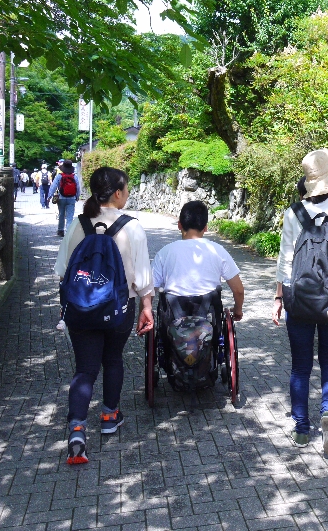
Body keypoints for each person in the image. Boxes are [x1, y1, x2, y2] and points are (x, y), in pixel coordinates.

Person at [54, 167, 154, 465]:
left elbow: (61, 272)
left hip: (81, 310)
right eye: (127, 188)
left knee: (85, 369)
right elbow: (143, 278)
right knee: (112, 360)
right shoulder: (132, 227)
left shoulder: (78, 224)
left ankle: (76, 430)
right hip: (119, 310)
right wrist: (147, 308)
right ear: (118, 193)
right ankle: (110, 415)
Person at [272, 148, 328, 457]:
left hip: (298, 300)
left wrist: (277, 298)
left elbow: (285, 262)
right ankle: (327, 412)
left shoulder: (293, 213)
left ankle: (300, 428)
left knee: (300, 367)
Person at [147, 200, 244, 336]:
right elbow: (238, 290)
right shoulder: (218, 250)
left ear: (179, 225)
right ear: (205, 227)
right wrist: (238, 310)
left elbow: (149, 289)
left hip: (172, 318)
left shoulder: (165, 252)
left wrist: (145, 311)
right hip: (209, 318)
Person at [48, 159, 81, 237]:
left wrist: (49, 196)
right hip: (72, 198)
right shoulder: (74, 177)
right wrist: (77, 196)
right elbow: (78, 187)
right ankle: (68, 232)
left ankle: (60, 230)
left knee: (61, 214)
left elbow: (53, 186)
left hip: (61, 197)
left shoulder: (59, 176)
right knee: (70, 216)